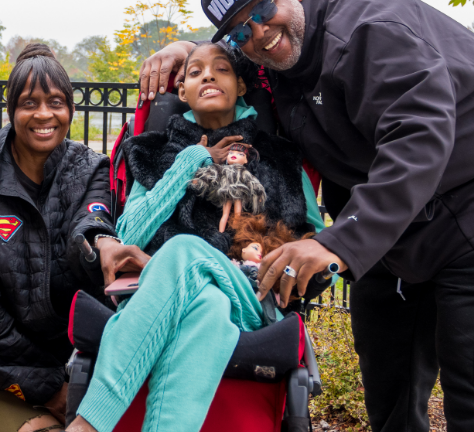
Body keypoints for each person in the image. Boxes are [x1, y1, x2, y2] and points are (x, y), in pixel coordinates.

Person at [138, 0, 474, 431]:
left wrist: (339, 243)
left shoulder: (370, 32)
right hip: (388, 208)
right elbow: (232, 59)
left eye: (264, 11)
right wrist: (192, 49)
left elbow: (418, 136)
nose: (259, 33)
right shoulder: (268, 50)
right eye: (242, 31)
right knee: (388, 379)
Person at [66, 41, 327, 432]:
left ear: (241, 86)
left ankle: (89, 422)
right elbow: (130, 235)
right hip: (159, 298)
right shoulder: (150, 152)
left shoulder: (280, 156)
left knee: (185, 248)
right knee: (206, 308)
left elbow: (316, 243)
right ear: (182, 92)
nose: (207, 75)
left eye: (221, 69)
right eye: (194, 71)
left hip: (248, 293)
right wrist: (191, 161)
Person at [0, 44, 145, 432]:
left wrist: (103, 243)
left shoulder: (89, 168)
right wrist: (50, 389)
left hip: (58, 367)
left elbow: (91, 222)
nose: (43, 114)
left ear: (70, 110)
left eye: (56, 102)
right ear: (12, 111)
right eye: (29, 103)